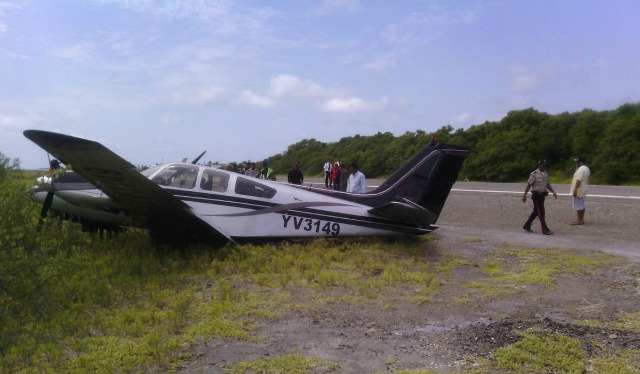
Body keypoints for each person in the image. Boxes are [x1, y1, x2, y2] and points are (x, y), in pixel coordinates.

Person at [522, 159, 557, 235]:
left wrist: (553, 191)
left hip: (542, 196)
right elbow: (529, 184)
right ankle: (545, 229)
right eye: (543, 165)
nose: (545, 167)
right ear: (539, 165)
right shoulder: (534, 174)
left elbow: (547, 184)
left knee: (536, 212)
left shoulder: (545, 173)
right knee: (541, 212)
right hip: (536, 196)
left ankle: (527, 225)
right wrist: (524, 195)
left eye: (545, 165)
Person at [571, 155, 591, 225]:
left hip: (579, 189)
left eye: (577, 162)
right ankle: (580, 219)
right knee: (581, 204)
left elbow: (578, 180)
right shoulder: (586, 168)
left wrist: (575, 189)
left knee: (578, 205)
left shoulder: (581, 169)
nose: (576, 163)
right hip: (583, 188)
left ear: (580, 161)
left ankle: (579, 220)